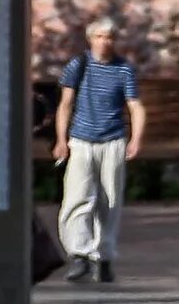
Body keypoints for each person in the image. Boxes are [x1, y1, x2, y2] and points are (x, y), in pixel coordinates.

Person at [54, 20, 144, 283]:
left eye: (110, 37)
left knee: (109, 200)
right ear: (91, 39)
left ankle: (103, 256)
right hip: (82, 140)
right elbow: (65, 104)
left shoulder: (123, 69)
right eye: (100, 36)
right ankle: (78, 254)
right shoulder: (78, 65)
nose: (105, 41)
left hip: (112, 140)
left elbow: (135, 106)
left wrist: (135, 139)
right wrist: (61, 139)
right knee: (77, 198)